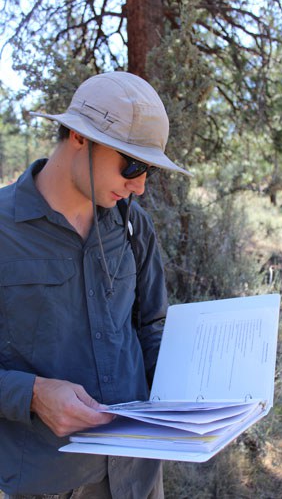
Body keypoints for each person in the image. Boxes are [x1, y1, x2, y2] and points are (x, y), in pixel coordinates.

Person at [0, 72, 191, 498]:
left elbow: (151, 326)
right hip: (48, 479)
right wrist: (32, 394)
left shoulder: (132, 225)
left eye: (149, 171)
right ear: (79, 138)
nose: (139, 185)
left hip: (137, 473)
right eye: (132, 164)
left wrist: (203, 399)